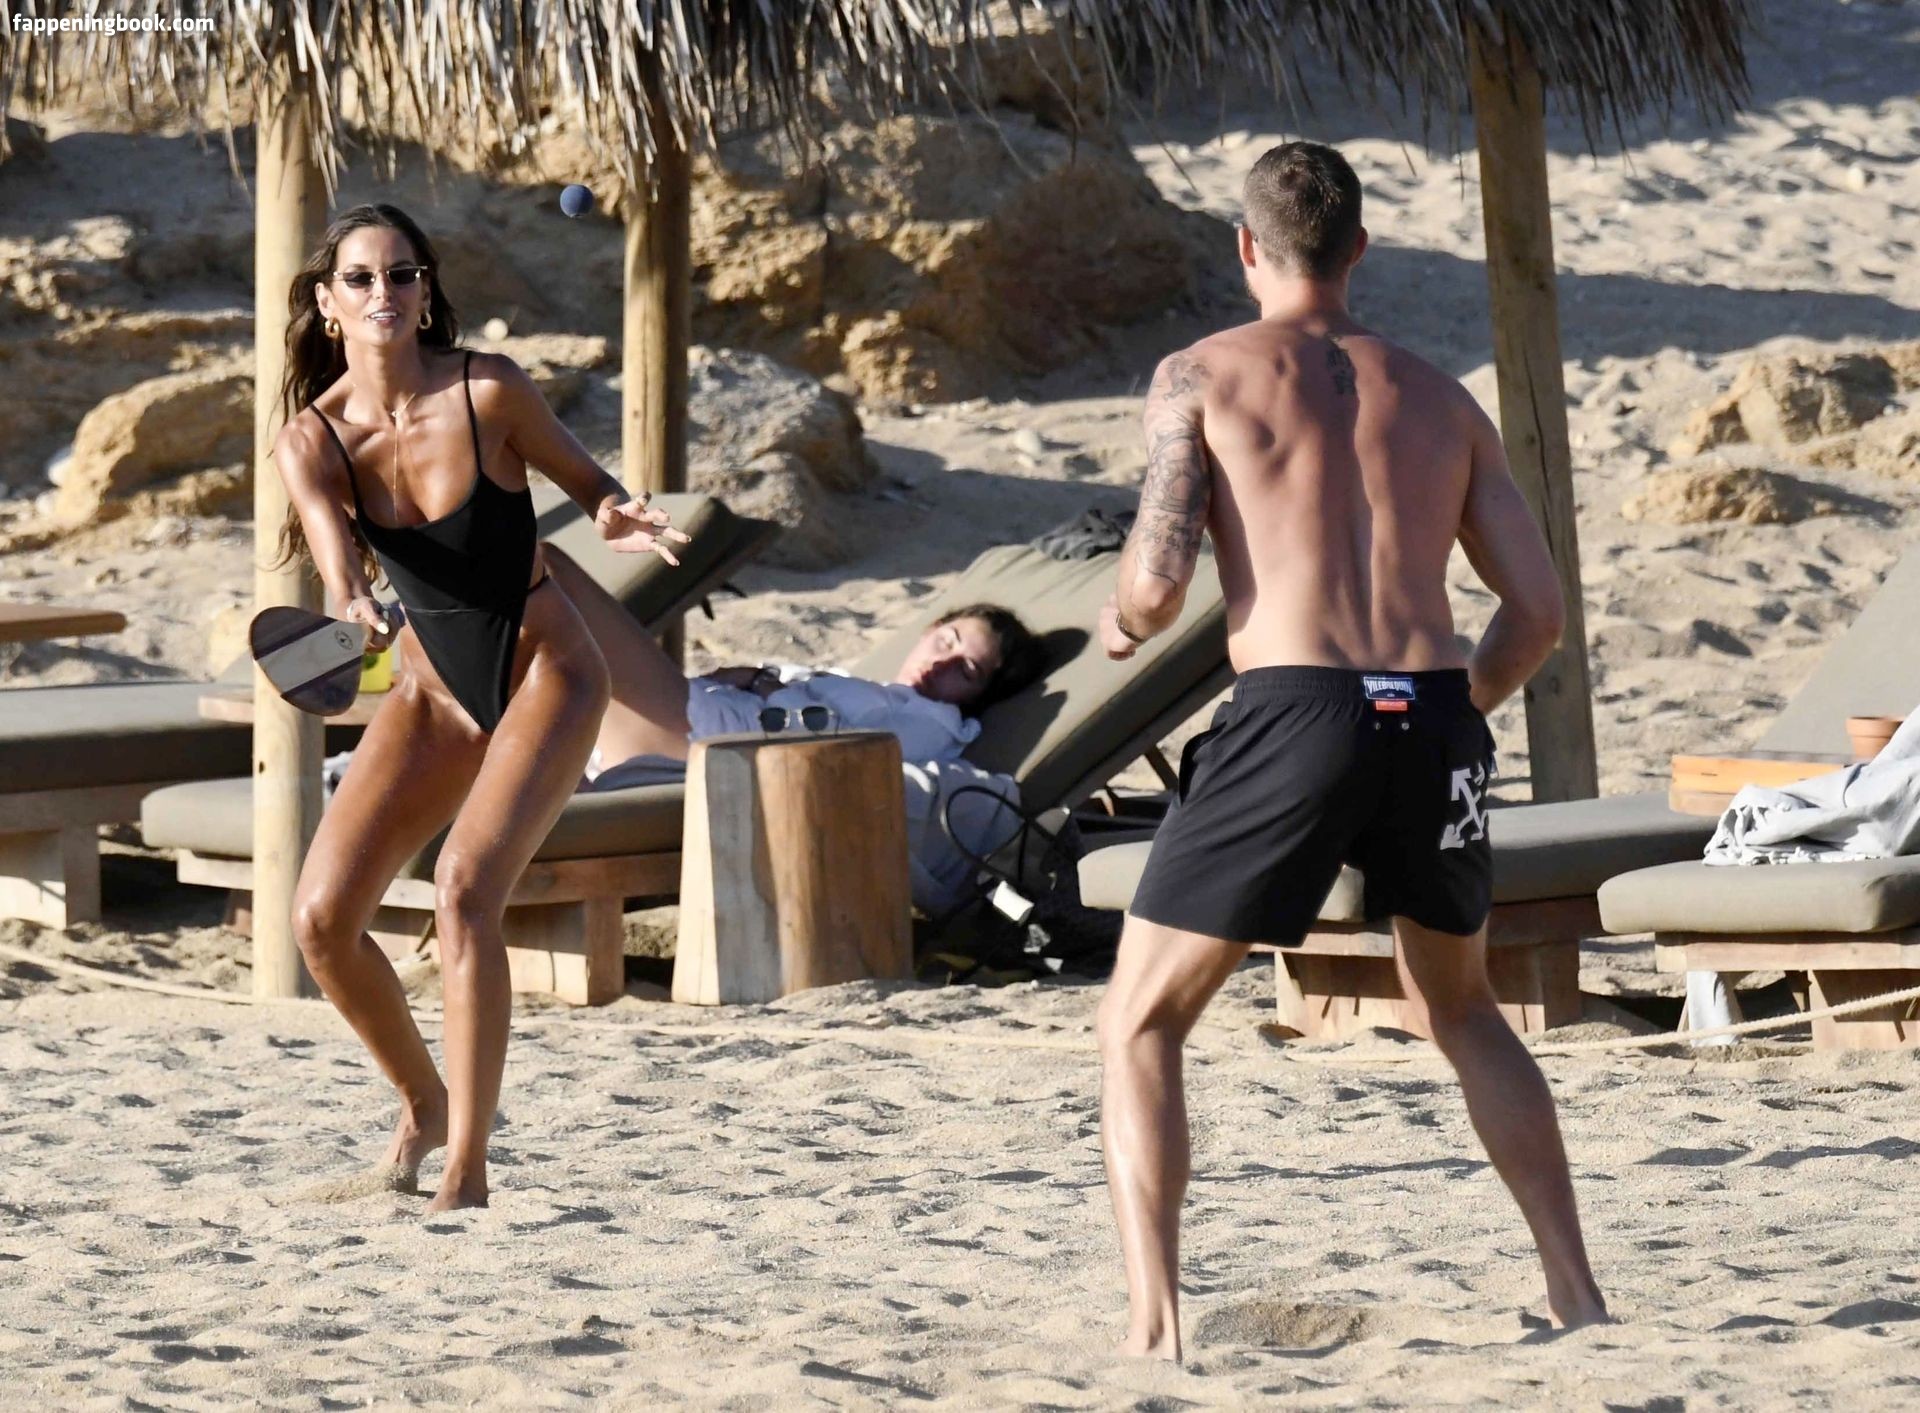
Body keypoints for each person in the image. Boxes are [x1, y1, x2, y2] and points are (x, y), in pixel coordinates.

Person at [1094, 141, 1608, 1358]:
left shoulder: (1199, 374)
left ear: (1245, 248)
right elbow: (1538, 614)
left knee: (1139, 1023)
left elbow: (1160, 585)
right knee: (1465, 1010)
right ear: (1361, 250)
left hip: (1295, 709)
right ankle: (1576, 1295)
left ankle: (1156, 1330)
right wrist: (1451, 712)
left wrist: (1122, 623)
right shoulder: (1443, 397)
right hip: (1430, 715)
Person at [272, 203, 687, 1212]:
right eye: (361, 278)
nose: (384, 292)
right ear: (328, 303)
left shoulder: (487, 389)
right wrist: (354, 607)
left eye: (402, 274)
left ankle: (467, 1172)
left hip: (550, 669)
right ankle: (425, 1104)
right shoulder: (311, 441)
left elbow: (590, 486)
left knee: (462, 892)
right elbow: (339, 573)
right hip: (433, 691)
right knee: (320, 921)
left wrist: (615, 513)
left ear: (426, 293)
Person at [537, 546, 1042, 784]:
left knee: (545, 570)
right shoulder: (872, 687)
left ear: (977, 697)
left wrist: (762, 682)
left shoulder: (937, 727)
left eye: (965, 671)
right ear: (929, 630)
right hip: (690, 722)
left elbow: (842, 751)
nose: (940, 663)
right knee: (538, 616)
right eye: (945, 641)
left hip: (698, 743)